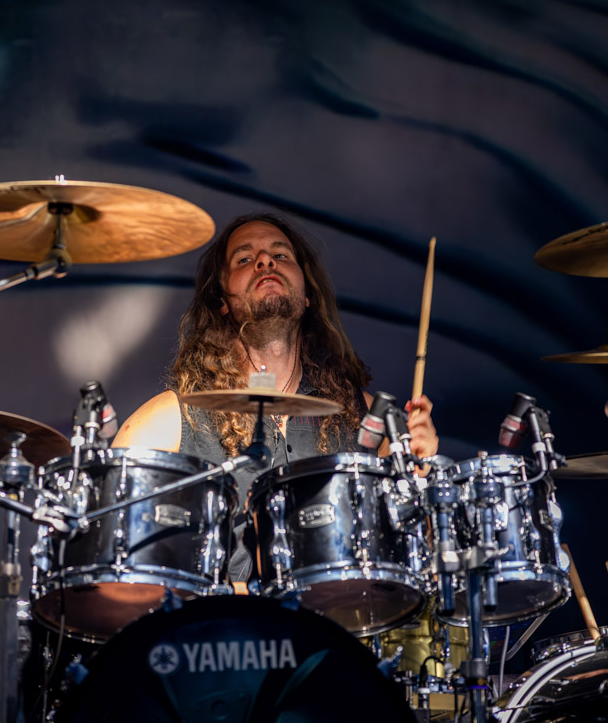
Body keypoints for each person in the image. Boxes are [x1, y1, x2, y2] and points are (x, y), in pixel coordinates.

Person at [113, 211, 439, 581]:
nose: (265, 261)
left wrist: (423, 473)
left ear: (307, 296)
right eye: (244, 259)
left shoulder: (368, 421)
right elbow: (113, 560)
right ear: (222, 300)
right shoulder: (167, 421)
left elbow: (417, 561)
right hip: (219, 618)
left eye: (281, 255)